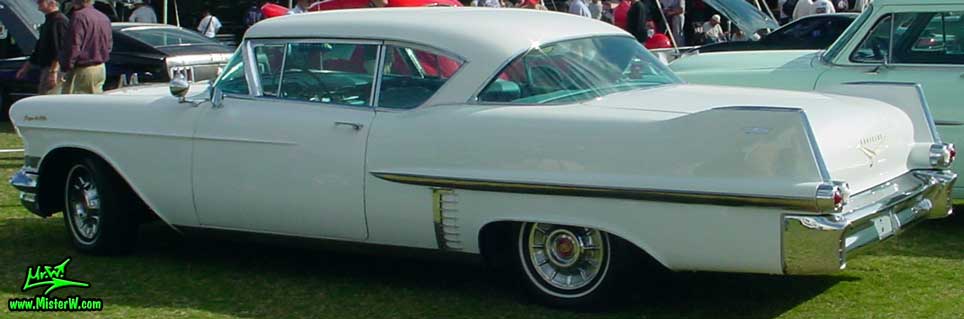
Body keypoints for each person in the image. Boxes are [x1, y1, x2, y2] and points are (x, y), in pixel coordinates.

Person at [16, 0, 68, 95]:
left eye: (41, 1)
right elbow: (39, 48)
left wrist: (53, 72)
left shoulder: (59, 21)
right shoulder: (49, 21)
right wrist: (26, 67)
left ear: (52, 3)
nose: (37, 3)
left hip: (54, 69)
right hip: (46, 68)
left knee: (48, 99)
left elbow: (60, 50)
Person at [61, 0, 112, 94]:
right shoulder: (103, 17)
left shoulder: (78, 17)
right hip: (100, 68)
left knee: (73, 105)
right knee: (93, 104)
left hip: (83, 70)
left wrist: (65, 68)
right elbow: (109, 45)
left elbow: (74, 45)